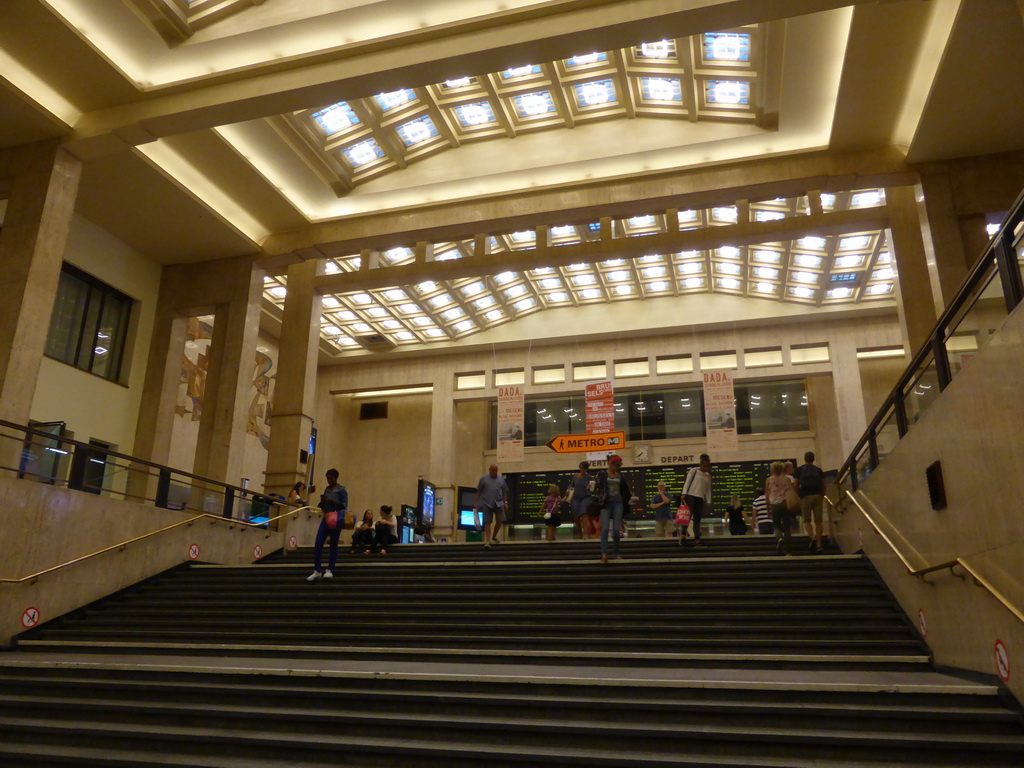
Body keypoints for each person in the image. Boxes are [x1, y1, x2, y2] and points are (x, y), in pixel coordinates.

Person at [594, 454, 637, 564]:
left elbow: (625, 490)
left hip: (618, 503)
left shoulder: (620, 475)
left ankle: (616, 553)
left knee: (617, 530)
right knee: (605, 529)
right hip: (606, 503)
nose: (618, 468)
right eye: (616, 465)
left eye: (619, 466)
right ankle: (604, 554)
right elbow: (595, 486)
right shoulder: (602, 474)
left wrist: (632, 498)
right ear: (611, 464)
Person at [307, 468, 347, 581]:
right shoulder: (327, 489)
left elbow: (344, 505)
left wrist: (333, 501)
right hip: (326, 517)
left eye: (331, 478)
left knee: (333, 544)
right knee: (318, 543)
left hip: (337, 519)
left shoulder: (342, 490)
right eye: (328, 479)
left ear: (336, 478)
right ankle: (317, 570)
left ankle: (330, 569)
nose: (329, 481)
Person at [793, 451, 826, 552]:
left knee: (807, 520)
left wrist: (799, 495)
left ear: (805, 458)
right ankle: (819, 544)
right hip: (817, 496)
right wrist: (822, 495)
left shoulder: (799, 469)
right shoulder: (818, 470)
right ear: (813, 459)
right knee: (818, 521)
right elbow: (824, 485)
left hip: (806, 496)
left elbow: (795, 484)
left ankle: (812, 537)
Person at [474, 463, 509, 549]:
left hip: (499, 503)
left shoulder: (501, 480)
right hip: (487, 503)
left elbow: (504, 492)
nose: (494, 472)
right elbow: (479, 491)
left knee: (500, 521)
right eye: (493, 470)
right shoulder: (483, 479)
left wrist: (506, 502)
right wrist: (476, 503)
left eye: (496, 471)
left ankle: (494, 536)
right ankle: (488, 540)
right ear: (489, 470)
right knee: (487, 522)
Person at [681, 454, 712, 547]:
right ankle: (683, 536)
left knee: (697, 519)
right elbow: (687, 482)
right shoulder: (693, 471)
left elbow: (708, 489)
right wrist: (684, 493)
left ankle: (697, 538)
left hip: (700, 498)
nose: (706, 467)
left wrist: (708, 501)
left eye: (708, 466)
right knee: (687, 517)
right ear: (701, 464)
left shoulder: (707, 476)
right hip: (691, 496)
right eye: (705, 465)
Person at [765, 461, 794, 556]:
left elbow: (767, 495)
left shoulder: (769, 480)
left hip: (774, 504)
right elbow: (791, 492)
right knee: (786, 528)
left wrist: (768, 509)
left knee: (776, 526)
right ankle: (788, 551)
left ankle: (779, 538)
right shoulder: (787, 479)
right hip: (785, 504)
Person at [566, 461, 593, 540]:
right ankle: (580, 533)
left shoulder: (589, 477)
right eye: (580, 468)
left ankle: (585, 533)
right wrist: (568, 490)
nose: (581, 470)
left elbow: (593, 488)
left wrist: (590, 487)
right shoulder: (575, 476)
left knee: (584, 513)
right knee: (576, 516)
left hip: (585, 497)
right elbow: (571, 485)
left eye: (583, 468)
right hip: (576, 497)